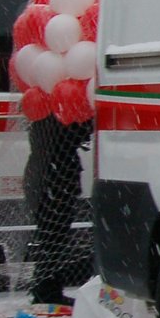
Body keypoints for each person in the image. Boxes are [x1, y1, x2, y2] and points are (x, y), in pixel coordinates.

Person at [25, 115, 93, 306]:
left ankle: (46, 288)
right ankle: (47, 290)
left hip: (46, 182)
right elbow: (73, 136)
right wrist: (85, 123)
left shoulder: (42, 122)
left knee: (51, 238)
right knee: (54, 238)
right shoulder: (56, 124)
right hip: (54, 183)